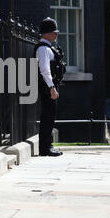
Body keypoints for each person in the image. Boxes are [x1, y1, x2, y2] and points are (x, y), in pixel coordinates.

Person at [34, 18, 65, 157]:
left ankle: (47, 146)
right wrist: (52, 87)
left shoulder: (48, 47)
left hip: (50, 86)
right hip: (47, 87)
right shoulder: (43, 49)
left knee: (50, 116)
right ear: (46, 33)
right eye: (53, 32)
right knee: (47, 116)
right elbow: (45, 70)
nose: (56, 35)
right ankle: (45, 148)